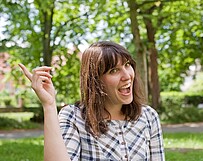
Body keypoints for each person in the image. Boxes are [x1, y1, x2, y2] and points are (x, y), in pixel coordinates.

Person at [19, 41, 165, 161]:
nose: (127, 76)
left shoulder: (148, 116)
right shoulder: (74, 117)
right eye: (114, 70)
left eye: (127, 65)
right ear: (96, 80)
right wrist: (49, 105)